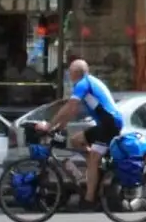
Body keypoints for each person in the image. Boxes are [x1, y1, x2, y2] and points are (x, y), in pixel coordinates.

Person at [35, 58, 126, 208]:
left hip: (110, 124)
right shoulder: (88, 82)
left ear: (75, 73)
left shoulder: (83, 84)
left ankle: (90, 199)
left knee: (94, 158)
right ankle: (93, 171)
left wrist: (50, 125)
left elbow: (69, 107)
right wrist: (59, 127)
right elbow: (73, 110)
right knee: (76, 141)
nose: (68, 75)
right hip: (106, 124)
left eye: (69, 72)